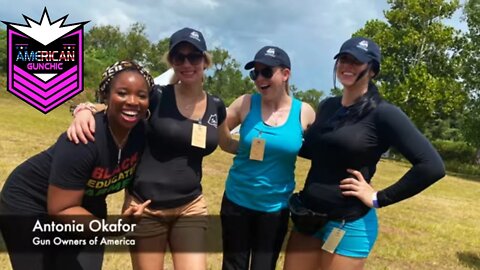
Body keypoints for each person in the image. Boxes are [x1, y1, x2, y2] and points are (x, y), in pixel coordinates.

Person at [67, 27, 236, 270]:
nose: (187, 63)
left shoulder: (216, 105)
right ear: (172, 62)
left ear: (205, 61)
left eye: (194, 57)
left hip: (190, 205)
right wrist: (83, 109)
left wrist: (269, 148)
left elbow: (227, 142)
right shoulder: (156, 95)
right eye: (180, 57)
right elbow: (118, 105)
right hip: (145, 207)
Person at [283, 36, 446, 270]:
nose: (347, 66)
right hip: (307, 218)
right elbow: (316, 150)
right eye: (343, 59)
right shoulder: (328, 106)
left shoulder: (384, 113)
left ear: (372, 70)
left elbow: (432, 166)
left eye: (356, 62)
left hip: (347, 224)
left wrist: (379, 197)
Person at [0, 60, 153, 270]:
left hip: (88, 202)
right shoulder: (83, 139)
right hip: (29, 203)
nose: (133, 101)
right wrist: (114, 227)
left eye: (141, 95)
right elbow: (61, 208)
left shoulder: (142, 134)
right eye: (122, 93)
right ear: (106, 96)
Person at [220, 46, 315, 270]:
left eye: (266, 72)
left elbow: (324, 150)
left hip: (275, 208)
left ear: (285, 74)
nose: (259, 78)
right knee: (233, 266)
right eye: (255, 73)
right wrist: (241, 148)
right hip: (237, 202)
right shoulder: (244, 103)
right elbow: (222, 138)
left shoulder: (305, 112)